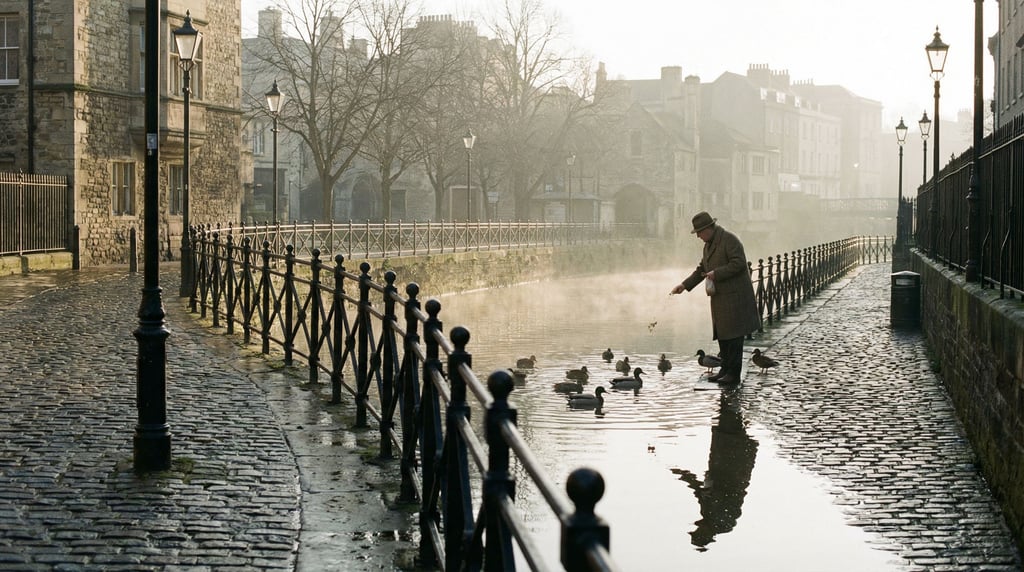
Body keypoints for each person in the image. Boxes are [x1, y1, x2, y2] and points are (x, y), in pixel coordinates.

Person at [669, 212, 760, 385]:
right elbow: (701, 268)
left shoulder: (729, 240)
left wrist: (716, 274)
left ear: (709, 229)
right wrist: (685, 285)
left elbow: (739, 263)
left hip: (735, 298)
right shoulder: (708, 245)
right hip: (720, 298)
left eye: (700, 232)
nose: (698, 236)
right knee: (724, 337)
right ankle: (725, 370)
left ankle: (733, 374)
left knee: (734, 338)